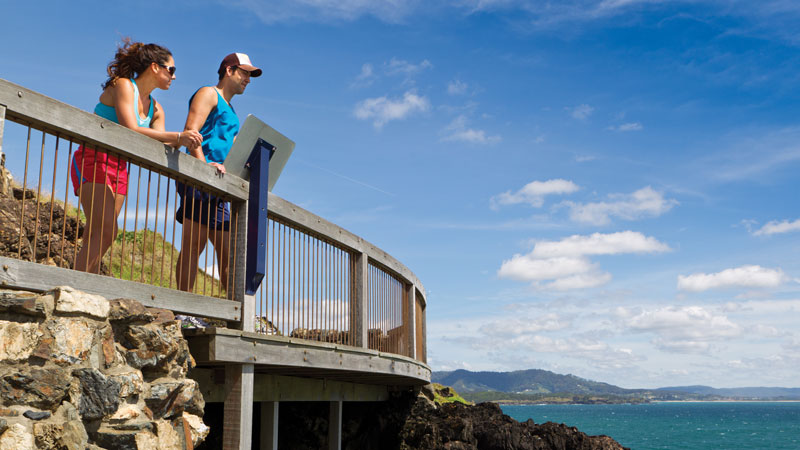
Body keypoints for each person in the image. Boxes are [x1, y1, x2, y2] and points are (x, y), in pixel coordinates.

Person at [71, 38, 203, 274]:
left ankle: (80, 286)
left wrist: (187, 145)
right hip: (93, 158)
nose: (174, 77)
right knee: (107, 230)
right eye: (171, 70)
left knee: (99, 232)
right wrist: (178, 136)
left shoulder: (157, 108)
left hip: (120, 167)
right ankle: (80, 286)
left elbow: (161, 145)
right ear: (154, 67)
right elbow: (130, 128)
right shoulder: (123, 86)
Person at [175, 53, 262, 292]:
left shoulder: (231, 111)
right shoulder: (208, 94)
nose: (248, 79)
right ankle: (182, 308)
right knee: (194, 245)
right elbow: (191, 131)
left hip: (220, 186)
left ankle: (237, 312)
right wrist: (203, 168)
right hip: (201, 180)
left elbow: (232, 152)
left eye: (250, 75)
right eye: (245, 73)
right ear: (229, 71)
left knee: (229, 253)